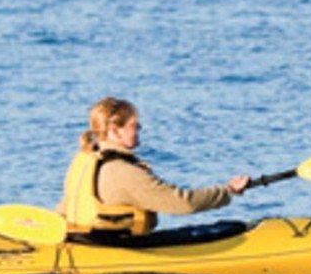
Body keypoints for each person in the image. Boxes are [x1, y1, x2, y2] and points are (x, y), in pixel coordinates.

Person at [60, 96, 260, 238]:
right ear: (114, 130)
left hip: (89, 241)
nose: (139, 130)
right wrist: (228, 191)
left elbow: (65, 208)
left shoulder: (85, 160)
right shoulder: (122, 171)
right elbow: (182, 203)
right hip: (117, 247)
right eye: (134, 126)